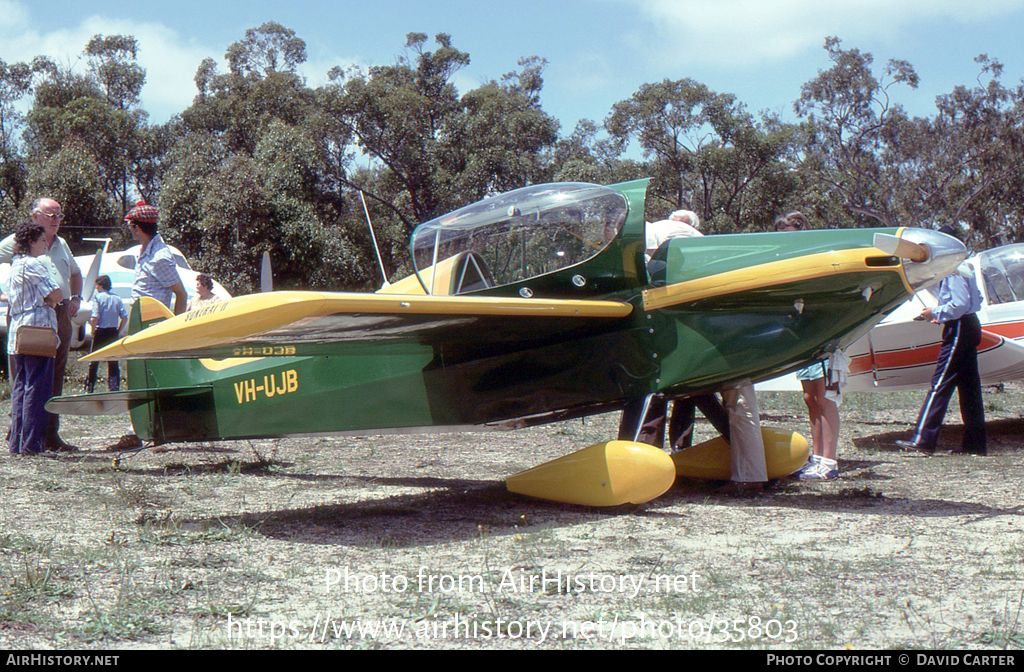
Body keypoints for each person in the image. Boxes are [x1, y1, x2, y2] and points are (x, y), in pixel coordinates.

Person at [0, 197, 82, 452]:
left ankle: (47, 434)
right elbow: (52, 293)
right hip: (37, 317)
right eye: (51, 215)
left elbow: (76, 273)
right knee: (32, 378)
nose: (56, 220)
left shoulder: (62, 244)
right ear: (35, 216)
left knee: (50, 376)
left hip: (58, 314)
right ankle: (25, 435)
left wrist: (76, 298)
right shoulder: (15, 247)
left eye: (59, 215)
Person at [896, 226, 986, 456]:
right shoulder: (964, 266)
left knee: (939, 385)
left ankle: (922, 440)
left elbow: (958, 305)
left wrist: (934, 313)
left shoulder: (953, 270)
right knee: (969, 389)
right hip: (969, 325)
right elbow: (974, 300)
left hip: (958, 328)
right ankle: (976, 444)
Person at [108, 201, 187, 451]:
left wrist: (173, 327)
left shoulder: (160, 257)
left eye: (131, 226)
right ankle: (148, 429)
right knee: (141, 377)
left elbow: (180, 293)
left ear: (137, 227)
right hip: (140, 323)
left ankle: (139, 431)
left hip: (151, 326)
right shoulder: (147, 251)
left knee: (143, 378)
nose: (130, 230)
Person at [775, 211, 841, 480]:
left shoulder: (816, 257)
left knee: (824, 399)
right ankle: (816, 457)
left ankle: (830, 461)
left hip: (822, 334)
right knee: (810, 398)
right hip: (802, 335)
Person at [6, 221, 62, 455]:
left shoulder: (15, 265)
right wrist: (50, 300)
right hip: (38, 329)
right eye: (41, 240)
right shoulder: (33, 264)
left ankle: (16, 443)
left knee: (21, 386)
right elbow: (56, 294)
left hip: (18, 331)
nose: (44, 244)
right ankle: (31, 444)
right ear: (31, 242)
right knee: (37, 388)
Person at [86, 275, 127, 393]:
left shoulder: (98, 297)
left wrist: (93, 330)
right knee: (113, 361)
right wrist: (118, 331)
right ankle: (114, 387)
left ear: (101, 285)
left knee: (94, 360)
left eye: (97, 285)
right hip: (112, 332)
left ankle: (90, 386)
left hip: (101, 331)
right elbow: (124, 317)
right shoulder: (117, 298)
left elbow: (95, 317)